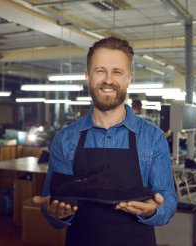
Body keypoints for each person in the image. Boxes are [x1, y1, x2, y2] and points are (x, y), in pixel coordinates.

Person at [33, 37, 177, 246]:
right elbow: (53, 207)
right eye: (100, 71)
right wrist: (56, 214)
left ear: (129, 78)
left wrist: (154, 210)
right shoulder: (65, 139)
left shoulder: (153, 137)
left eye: (117, 72)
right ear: (87, 77)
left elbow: (169, 200)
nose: (108, 79)